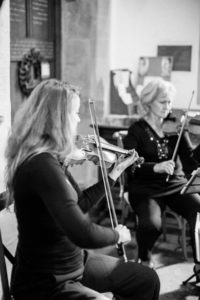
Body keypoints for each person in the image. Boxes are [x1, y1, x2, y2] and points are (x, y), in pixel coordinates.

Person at [5, 79, 160, 300]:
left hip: (75, 263)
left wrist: (113, 174)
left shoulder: (53, 161)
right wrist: (117, 235)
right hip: (46, 282)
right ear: (58, 120)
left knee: (146, 279)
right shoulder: (41, 166)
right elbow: (82, 233)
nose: (79, 119)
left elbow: (79, 204)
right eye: (75, 113)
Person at [123, 78, 200, 275]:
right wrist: (154, 167)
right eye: (163, 102)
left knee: (199, 213)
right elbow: (128, 164)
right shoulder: (136, 130)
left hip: (175, 185)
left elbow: (191, 161)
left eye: (170, 102)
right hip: (145, 188)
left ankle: (199, 264)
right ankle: (144, 258)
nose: (169, 107)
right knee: (151, 225)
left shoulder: (176, 128)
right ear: (148, 102)